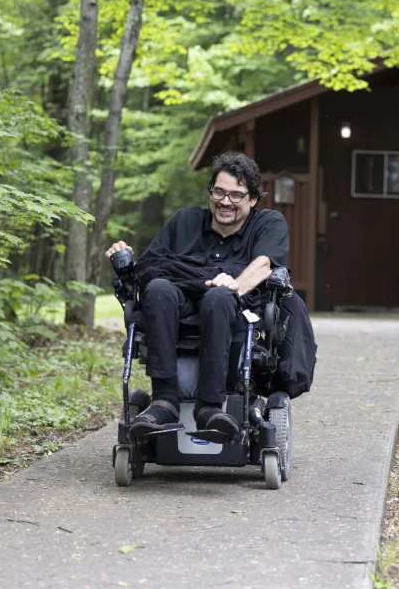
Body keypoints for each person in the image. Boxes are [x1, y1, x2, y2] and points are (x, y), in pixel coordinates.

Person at [105, 151, 289, 439]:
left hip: (232, 309)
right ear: (210, 191)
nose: (225, 201)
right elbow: (150, 265)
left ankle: (211, 407)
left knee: (219, 297)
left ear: (252, 199)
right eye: (219, 191)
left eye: (236, 195)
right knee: (158, 288)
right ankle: (164, 400)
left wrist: (234, 285)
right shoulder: (184, 221)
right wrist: (125, 259)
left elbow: (265, 264)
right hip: (179, 301)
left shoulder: (268, 223)